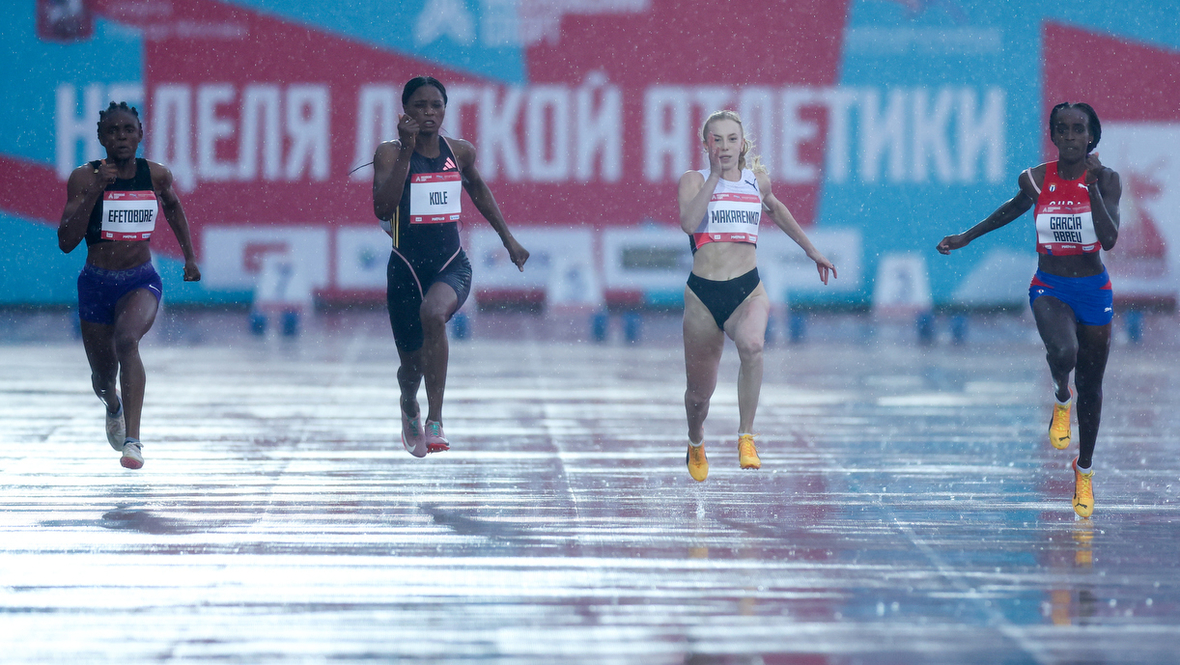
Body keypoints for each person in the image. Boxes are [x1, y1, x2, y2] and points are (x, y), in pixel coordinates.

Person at [937, 102, 1120, 517]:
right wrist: (967, 236)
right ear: (1053, 136)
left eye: (1078, 129)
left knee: (1092, 387)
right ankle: (1060, 396)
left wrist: (1092, 188)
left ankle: (1084, 470)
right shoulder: (1036, 179)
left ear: (1091, 137)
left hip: (1094, 289)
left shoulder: (1107, 180)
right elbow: (1010, 209)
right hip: (1050, 286)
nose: (1070, 136)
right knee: (1065, 353)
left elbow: (1109, 239)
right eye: (1062, 129)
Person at [372, 76, 529, 458]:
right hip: (405, 269)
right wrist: (407, 151)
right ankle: (409, 403)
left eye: (436, 105)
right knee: (410, 368)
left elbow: (479, 190)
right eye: (419, 105)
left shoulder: (460, 152)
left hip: (451, 265)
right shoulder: (389, 154)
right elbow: (383, 208)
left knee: (434, 314)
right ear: (405, 110)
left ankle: (436, 420)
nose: (428, 112)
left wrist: (508, 240)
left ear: (445, 110)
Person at [679, 110, 836, 482]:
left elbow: (777, 210)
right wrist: (714, 177)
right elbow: (688, 223)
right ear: (706, 145)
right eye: (716, 140)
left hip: (747, 291)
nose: (724, 147)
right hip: (702, 296)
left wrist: (812, 250)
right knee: (698, 396)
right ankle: (695, 439)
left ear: (742, 144)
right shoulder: (693, 180)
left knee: (752, 345)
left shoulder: (756, 181)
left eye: (732, 139)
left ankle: (746, 437)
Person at [57, 101, 201, 469]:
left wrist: (189, 256)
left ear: (140, 135)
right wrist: (97, 190)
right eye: (113, 131)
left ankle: (133, 442)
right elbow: (66, 241)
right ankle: (113, 405)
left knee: (127, 341)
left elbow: (173, 207)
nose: (121, 137)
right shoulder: (83, 178)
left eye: (128, 130)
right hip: (95, 285)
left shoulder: (156, 175)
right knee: (104, 378)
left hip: (140, 280)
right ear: (101, 138)